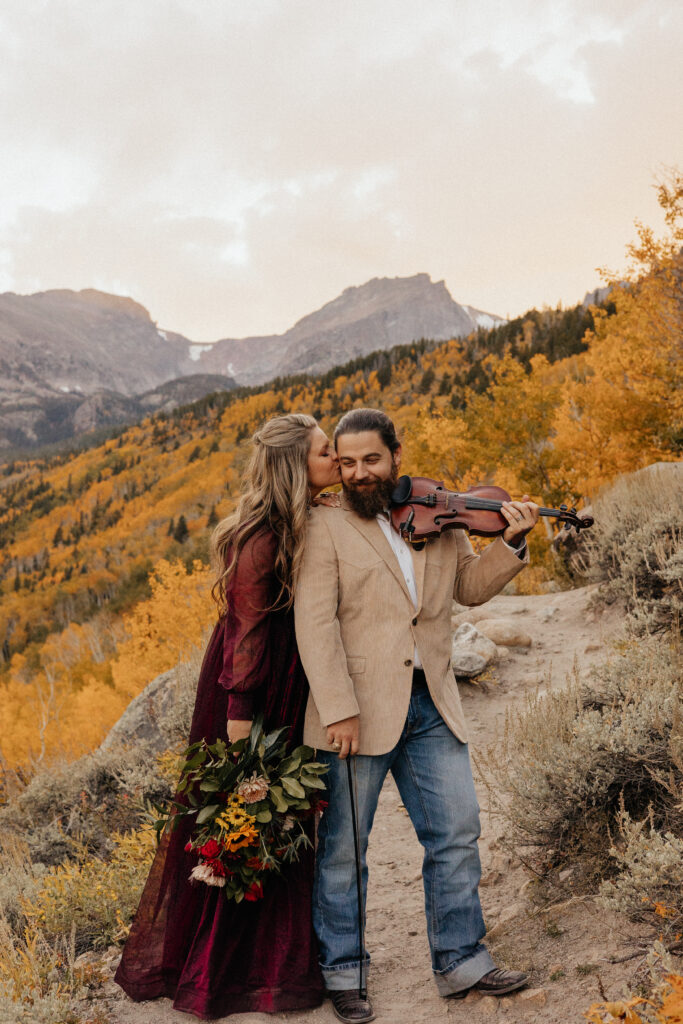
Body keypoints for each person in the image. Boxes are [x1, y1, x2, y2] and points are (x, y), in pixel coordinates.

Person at [294, 408, 540, 1023]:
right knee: (345, 849)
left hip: (431, 699)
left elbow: (469, 588)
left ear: (395, 456)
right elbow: (314, 626)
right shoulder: (322, 528)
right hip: (356, 712)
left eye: (370, 460)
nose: (357, 473)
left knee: (456, 831)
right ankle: (343, 973)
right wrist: (338, 711)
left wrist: (511, 543)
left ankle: (462, 961)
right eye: (345, 462)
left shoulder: (436, 509)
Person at [115, 413, 342, 1019]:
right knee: (249, 818)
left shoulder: (305, 520)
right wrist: (241, 732)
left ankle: (275, 961)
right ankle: (233, 973)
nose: (337, 458)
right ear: (297, 466)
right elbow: (246, 634)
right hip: (254, 694)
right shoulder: (263, 536)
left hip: (286, 685)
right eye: (326, 452)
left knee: (281, 824)